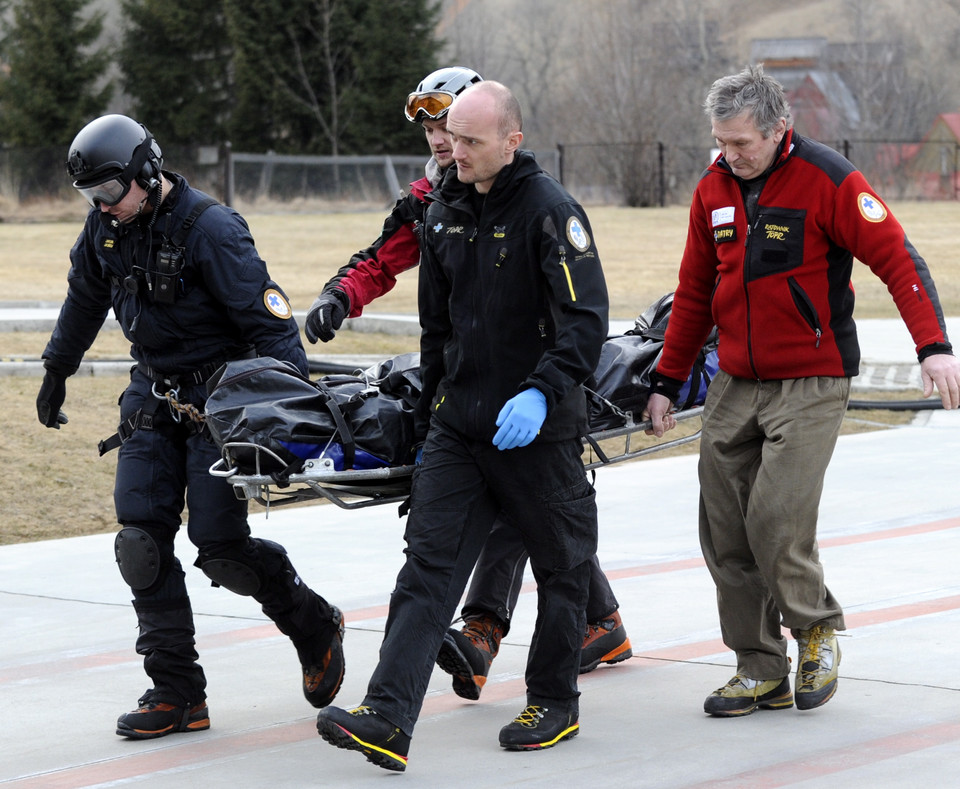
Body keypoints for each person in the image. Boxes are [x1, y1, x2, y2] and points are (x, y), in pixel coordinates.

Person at [305, 66, 632, 702]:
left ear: (493, 134)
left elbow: (581, 314)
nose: (438, 140)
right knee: (502, 526)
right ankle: (603, 624)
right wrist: (340, 296)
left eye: (449, 126)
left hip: (533, 394)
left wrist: (541, 391)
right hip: (465, 396)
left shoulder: (540, 203)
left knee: (532, 516)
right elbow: (385, 259)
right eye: (430, 128)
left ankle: (485, 630)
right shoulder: (434, 198)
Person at [644, 64, 960, 719]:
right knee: (724, 526)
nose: (728, 155)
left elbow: (898, 258)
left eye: (742, 144)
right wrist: (665, 382)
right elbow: (696, 290)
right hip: (736, 379)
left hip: (813, 378)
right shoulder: (714, 189)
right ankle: (758, 667)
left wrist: (933, 345)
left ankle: (814, 629)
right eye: (720, 142)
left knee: (775, 515)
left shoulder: (829, 180)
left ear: (780, 127)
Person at [36, 114, 346, 739]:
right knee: (141, 545)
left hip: (220, 402)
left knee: (221, 548)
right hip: (152, 394)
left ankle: (313, 623)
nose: (102, 207)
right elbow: (84, 299)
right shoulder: (105, 231)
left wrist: (272, 414)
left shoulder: (211, 229)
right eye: (91, 197)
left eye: (110, 192)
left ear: (147, 174)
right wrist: (55, 370)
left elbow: (276, 333)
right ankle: (176, 692)